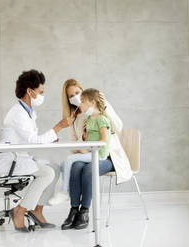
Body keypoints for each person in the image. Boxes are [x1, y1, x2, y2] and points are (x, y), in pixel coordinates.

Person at [0, 70, 74, 232]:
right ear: (30, 91)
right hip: (7, 161)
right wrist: (59, 126)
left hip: (18, 158)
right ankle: (20, 210)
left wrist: (52, 136)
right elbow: (33, 140)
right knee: (47, 173)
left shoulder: (28, 112)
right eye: (41, 92)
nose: (43, 95)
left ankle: (37, 210)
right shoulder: (18, 113)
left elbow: (31, 138)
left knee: (54, 168)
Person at [53, 79, 133, 230]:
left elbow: (118, 127)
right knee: (76, 167)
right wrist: (82, 140)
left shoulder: (101, 110)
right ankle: (74, 210)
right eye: (71, 96)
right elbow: (73, 144)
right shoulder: (75, 117)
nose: (75, 98)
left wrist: (105, 106)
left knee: (89, 169)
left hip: (107, 157)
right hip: (87, 154)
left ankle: (84, 211)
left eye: (78, 93)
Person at [51, 88, 111, 207]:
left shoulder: (101, 119)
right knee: (64, 164)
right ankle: (68, 196)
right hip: (91, 152)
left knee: (69, 160)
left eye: (82, 101)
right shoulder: (88, 119)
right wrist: (83, 140)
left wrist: (87, 150)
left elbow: (104, 141)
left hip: (99, 155)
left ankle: (64, 191)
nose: (80, 104)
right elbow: (87, 140)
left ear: (93, 102)